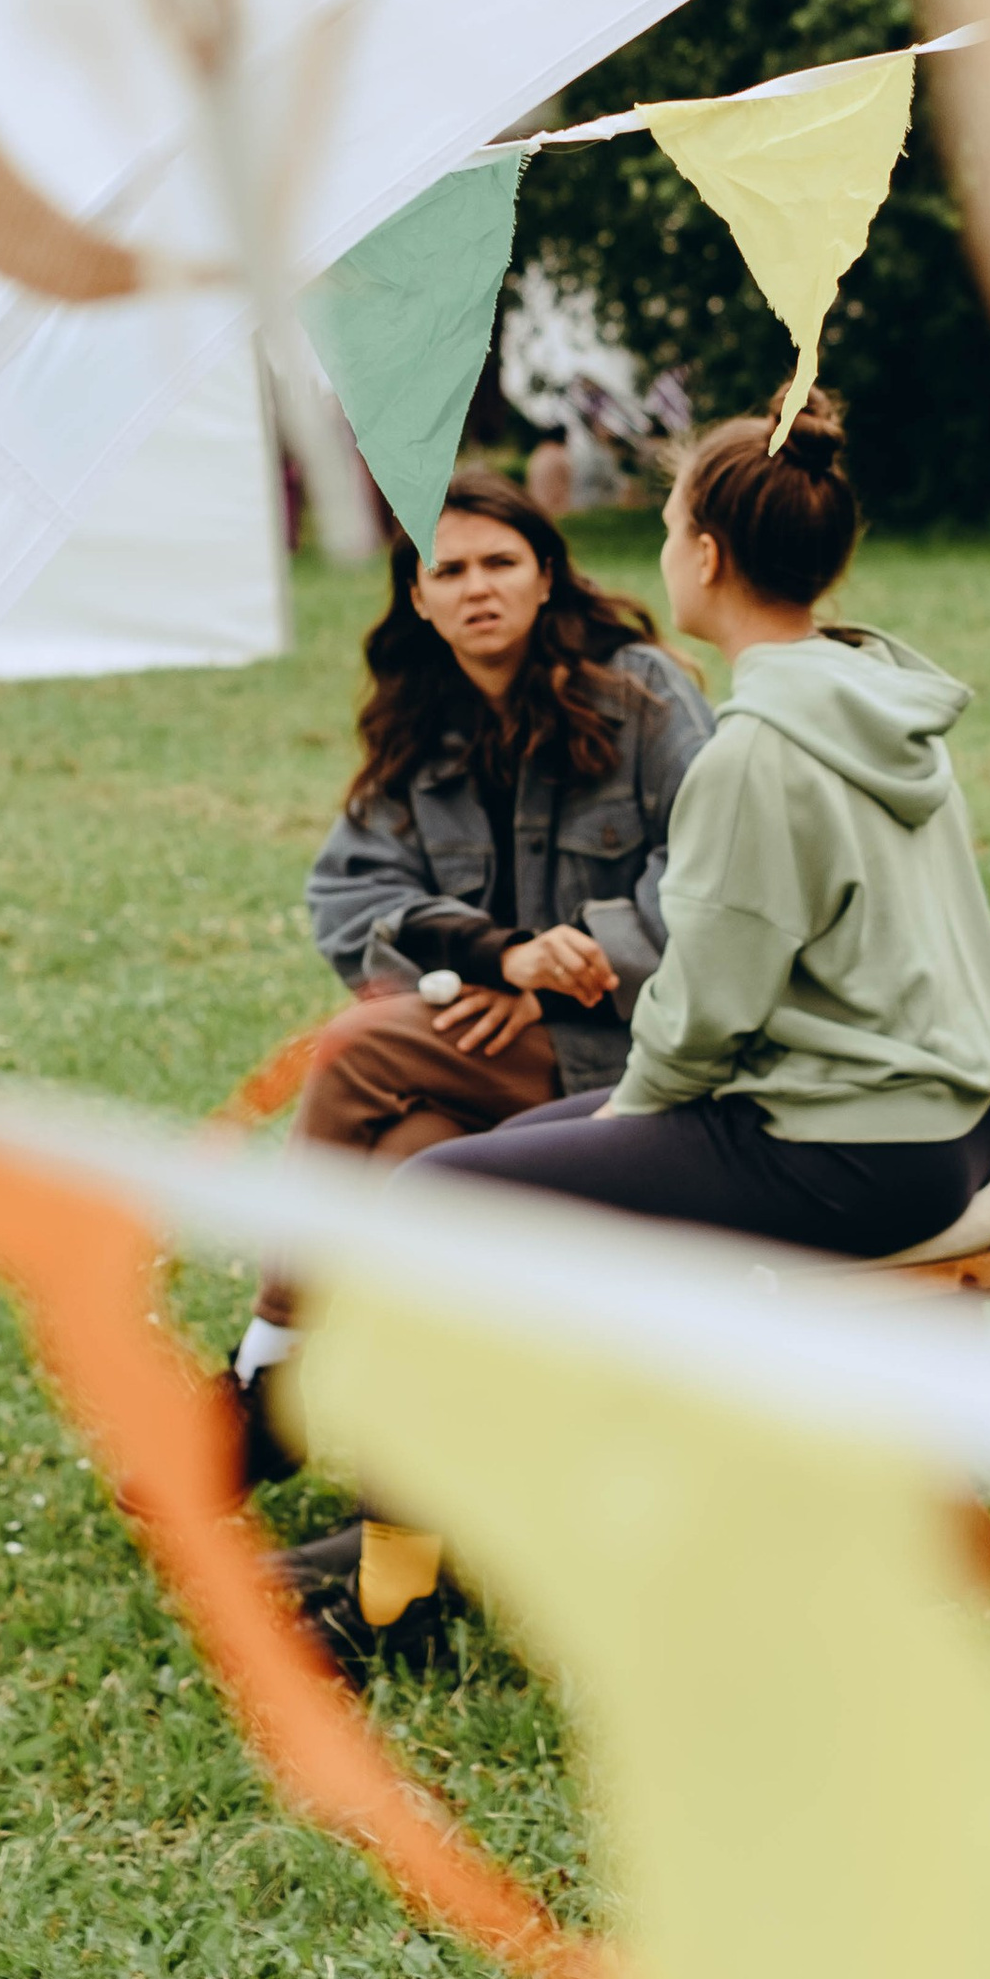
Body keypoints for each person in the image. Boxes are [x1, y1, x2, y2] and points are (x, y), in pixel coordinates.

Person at [241, 469, 711, 1641]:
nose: (477, 587)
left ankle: (275, 1366)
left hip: (637, 1063)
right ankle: (405, 1573)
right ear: (420, 597)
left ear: (545, 572)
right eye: (448, 570)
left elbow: (712, 883)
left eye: (499, 561)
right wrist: (490, 968)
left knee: (355, 1051)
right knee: (406, 1174)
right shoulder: (423, 729)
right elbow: (351, 904)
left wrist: (569, 973)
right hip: (481, 1059)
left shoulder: (643, 696)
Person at [410, 393, 990, 1259]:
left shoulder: (757, 754)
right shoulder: (872, 698)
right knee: (510, 1150)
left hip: (856, 1154)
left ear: (704, 555)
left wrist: (635, 1106)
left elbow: (707, 1005)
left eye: (666, 532)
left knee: (433, 1187)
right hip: (959, 1120)